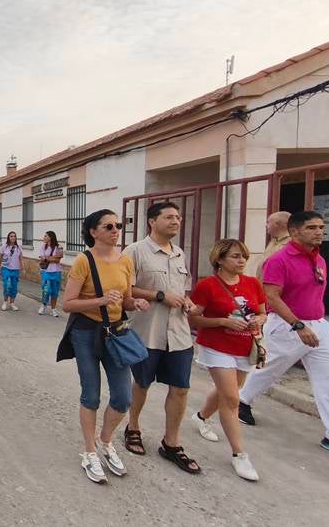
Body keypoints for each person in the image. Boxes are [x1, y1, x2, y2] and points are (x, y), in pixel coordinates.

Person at [239, 211, 329, 464]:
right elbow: (271, 297)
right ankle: (241, 401)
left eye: (321, 227)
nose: (319, 232)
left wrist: (314, 324)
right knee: (269, 369)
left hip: (318, 325)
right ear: (294, 231)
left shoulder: (319, 259)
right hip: (287, 325)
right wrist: (298, 325)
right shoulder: (279, 260)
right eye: (312, 228)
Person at [60, 209, 150, 484]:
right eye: (108, 226)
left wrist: (135, 303)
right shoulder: (83, 261)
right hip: (86, 333)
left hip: (116, 333)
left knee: (123, 398)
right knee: (91, 395)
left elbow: (125, 299)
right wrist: (99, 301)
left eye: (117, 225)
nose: (115, 231)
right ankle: (89, 452)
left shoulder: (125, 261)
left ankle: (105, 441)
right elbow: (68, 304)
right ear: (93, 232)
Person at [122, 202, 200, 473]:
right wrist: (158, 296)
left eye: (178, 217)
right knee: (142, 383)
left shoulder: (179, 253)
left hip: (178, 334)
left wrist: (187, 302)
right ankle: (133, 427)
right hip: (147, 332)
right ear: (152, 221)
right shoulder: (134, 252)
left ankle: (171, 442)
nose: (176, 221)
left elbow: (183, 289)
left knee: (180, 388)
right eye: (169, 217)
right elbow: (125, 289)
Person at [187, 239, 266, 481]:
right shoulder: (207, 286)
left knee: (227, 391)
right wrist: (223, 321)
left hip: (244, 346)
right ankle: (239, 454)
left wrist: (259, 320)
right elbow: (194, 319)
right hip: (216, 346)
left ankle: (201, 417)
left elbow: (262, 312)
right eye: (235, 256)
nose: (241, 261)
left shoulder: (252, 283)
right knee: (232, 399)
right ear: (220, 259)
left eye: (243, 256)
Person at [257, 211, 291, 280]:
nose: (266, 226)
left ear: (277, 224)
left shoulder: (291, 243)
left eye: (268, 222)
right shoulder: (273, 241)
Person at [37, 231, 64, 317]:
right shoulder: (43, 247)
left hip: (56, 272)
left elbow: (58, 260)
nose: (44, 238)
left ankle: (53, 309)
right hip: (46, 271)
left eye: (45, 236)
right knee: (46, 290)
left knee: (55, 292)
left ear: (50, 237)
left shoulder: (59, 247)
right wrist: (52, 258)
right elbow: (42, 258)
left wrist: (46, 258)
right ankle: (43, 306)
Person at [0, 232, 22, 312]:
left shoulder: (18, 248)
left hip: (15, 269)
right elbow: (1, 257)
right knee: (6, 285)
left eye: (14, 236)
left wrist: (22, 268)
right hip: (6, 268)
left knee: (14, 287)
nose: (13, 237)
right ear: (8, 237)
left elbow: (20, 258)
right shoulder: (4, 247)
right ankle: (5, 301)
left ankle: (12, 303)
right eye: (11, 236)